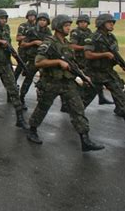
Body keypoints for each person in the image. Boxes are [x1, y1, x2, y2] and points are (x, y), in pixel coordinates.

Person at [25, 15, 104, 152]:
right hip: (51, 82)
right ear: (58, 27)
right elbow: (38, 62)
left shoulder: (66, 44)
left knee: (78, 110)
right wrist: (58, 62)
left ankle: (85, 140)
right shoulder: (48, 43)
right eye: (66, 25)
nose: (69, 28)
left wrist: (84, 76)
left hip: (68, 83)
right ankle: (32, 130)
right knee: (42, 108)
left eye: (69, 25)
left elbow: (73, 64)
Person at [82, 13, 125, 119]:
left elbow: (115, 54)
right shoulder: (93, 37)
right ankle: (75, 113)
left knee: (120, 94)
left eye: (112, 22)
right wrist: (104, 54)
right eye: (109, 22)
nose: (112, 24)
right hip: (94, 73)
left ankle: (121, 109)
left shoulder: (111, 37)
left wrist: (122, 64)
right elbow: (88, 54)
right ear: (102, 24)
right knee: (84, 100)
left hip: (108, 72)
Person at [70, 14, 114, 105]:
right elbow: (72, 46)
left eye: (85, 22)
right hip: (77, 59)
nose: (83, 24)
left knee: (96, 79)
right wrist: (85, 47)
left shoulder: (90, 32)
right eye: (81, 22)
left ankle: (101, 98)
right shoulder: (75, 32)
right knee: (75, 80)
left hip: (87, 61)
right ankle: (71, 101)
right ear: (78, 23)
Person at [18, 12, 52, 109]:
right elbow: (23, 44)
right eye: (40, 20)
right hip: (33, 59)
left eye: (44, 20)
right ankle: (21, 97)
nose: (42, 22)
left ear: (47, 22)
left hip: (43, 60)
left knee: (44, 80)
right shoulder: (31, 31)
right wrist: (34, 42)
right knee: (28, 79)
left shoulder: (48, 32)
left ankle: (40, 99)